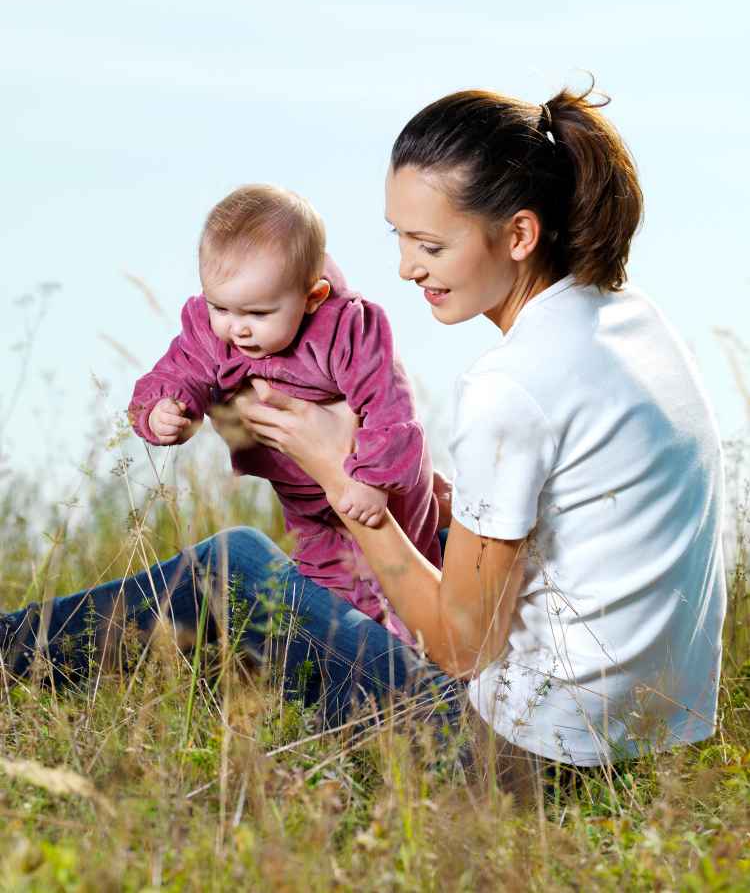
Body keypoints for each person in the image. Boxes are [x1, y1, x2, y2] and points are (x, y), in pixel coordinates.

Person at [0, 81, 726, 785]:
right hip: (644, 745)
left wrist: (338, 475)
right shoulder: (638, 324)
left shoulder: (512, 384)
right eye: (399, 238)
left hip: (516, 763)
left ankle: (7, 655)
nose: (407, 268)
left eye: (430, 245)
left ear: (519, 234)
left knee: (237, 566)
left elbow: (463, 648)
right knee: (429, 531)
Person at [128, 184, 441, 643]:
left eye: (258, 312)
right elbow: (182, 369)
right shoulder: (212, 329)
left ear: (312, 296)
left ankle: (415, 654)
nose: (237, 327)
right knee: (325, 583)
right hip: (304, 498)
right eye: (221, 307)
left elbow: (387, 407)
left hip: (380, 489)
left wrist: (373, 481)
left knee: (397, 564)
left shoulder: (347, 328)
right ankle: (347, 654)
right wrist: (163, 409)